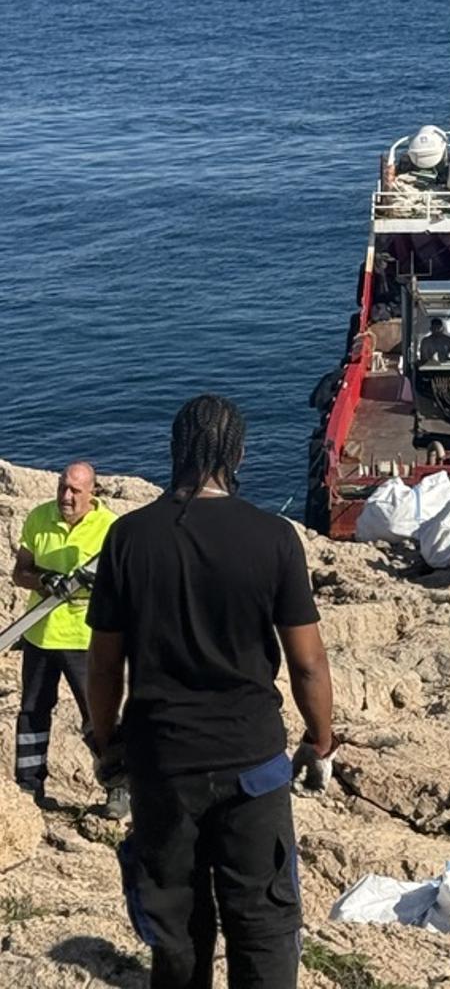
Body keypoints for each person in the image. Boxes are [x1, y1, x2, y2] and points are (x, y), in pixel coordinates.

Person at [86, 395, 335, 989]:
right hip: (252, 761)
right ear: (238, 454)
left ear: (176, 451)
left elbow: (104, 663)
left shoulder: (128, 537)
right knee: (264, 923)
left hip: (162, 761)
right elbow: (308, 662)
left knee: (175, 926)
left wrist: (106, 739)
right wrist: (320, 739)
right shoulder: (274, 537)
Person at [11, 461, 119, 813]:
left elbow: (123, 585)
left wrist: (96, 584)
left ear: (92, 492)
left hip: (84, 639)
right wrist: (44, 580)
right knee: (32, 712)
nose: (66, 496)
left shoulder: (110, 527)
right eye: (62, 487)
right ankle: (28, 786)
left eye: (75, 490)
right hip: (40, 634)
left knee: (98, 715)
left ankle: (118, 787)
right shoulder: (39, 517)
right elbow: (20, 573)